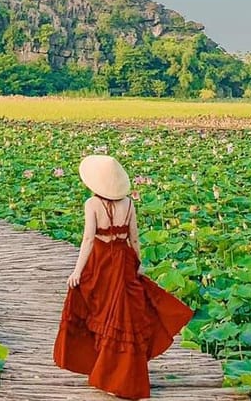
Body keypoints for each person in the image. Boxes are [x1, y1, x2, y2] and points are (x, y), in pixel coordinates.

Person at [53, 155, 194, 399]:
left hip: (101, 262)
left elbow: (88, 239)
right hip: (124, 260)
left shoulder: (92, 204)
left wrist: (77, 271)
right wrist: (136, 265)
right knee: (124, 318)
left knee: (100, 311)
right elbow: (134, 239)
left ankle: (106, 372)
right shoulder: (129, 204)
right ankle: (119, 374)